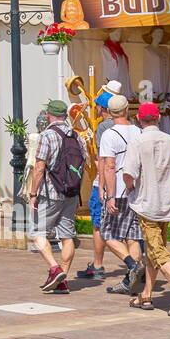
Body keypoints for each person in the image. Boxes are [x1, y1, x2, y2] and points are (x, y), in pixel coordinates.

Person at [121, 102, 170, 315]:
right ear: (158, 119)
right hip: (167, 203)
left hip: (147, 204)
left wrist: (130, 188)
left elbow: (128, 173)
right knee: (154, 250)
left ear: (139, 119)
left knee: (157, 251)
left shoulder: (137, 142)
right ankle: (146, 295)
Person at [28, 100, 82, 293]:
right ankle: (63, 280)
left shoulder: (46, 136)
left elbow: (39, 168)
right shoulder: (76, 135)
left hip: (51, 192)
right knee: (67, 235)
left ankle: (54, 268)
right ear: (65, 116)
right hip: (71, 192)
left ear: (49, 115)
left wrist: (33, 194)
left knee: (37, 233)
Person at [97, 95, 145, 295]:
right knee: (132, 236)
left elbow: (109, 166)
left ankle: (133, 265)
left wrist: (109, 194)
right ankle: (130, 279)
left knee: (107, 233)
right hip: (136, 189)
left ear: (109, 111)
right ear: (127, 110)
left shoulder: (109, 134)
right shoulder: (139, 131)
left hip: (119, 190)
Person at [77, 89, 115, 279]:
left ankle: (98, 265)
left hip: (104, 181)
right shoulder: (130, 126)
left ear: (102, 108)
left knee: (98, 224)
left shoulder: (103, 127)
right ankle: (135, 262)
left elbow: (102, 159)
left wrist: (100, 184)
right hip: (123, 182)